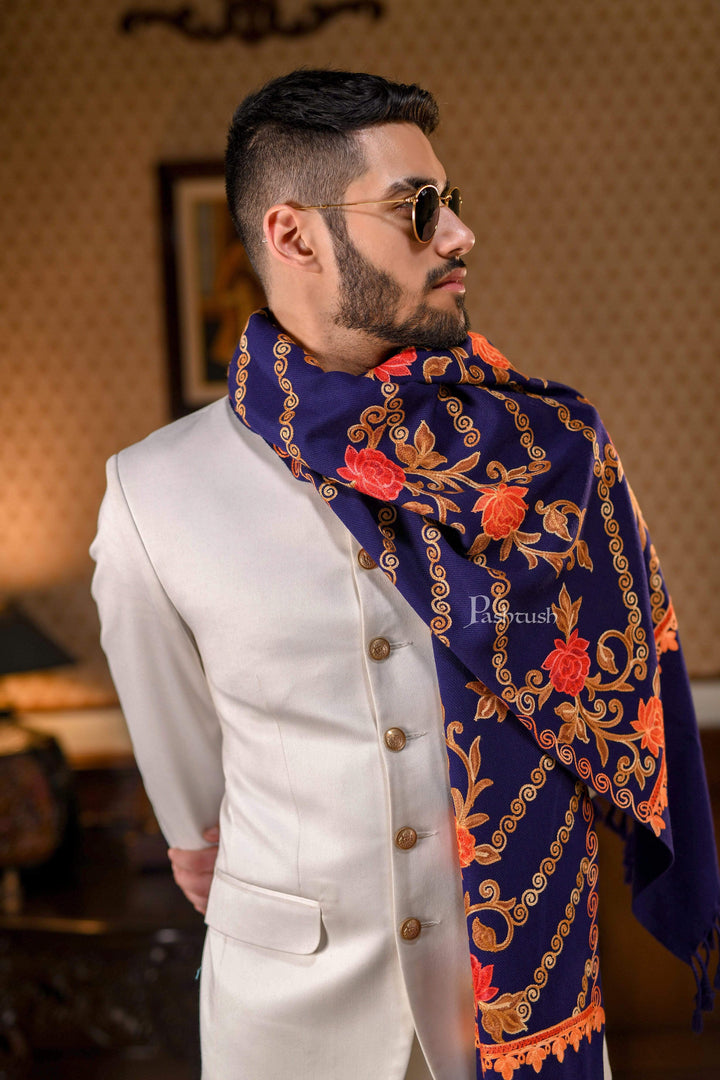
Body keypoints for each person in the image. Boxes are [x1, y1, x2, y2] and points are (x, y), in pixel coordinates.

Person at [91, 70, 719, 1080]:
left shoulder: (550, 453)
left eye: (449, 202)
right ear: (295, 237)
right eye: (416, 208)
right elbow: (195, 810)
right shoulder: (150, 492)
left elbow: (622, 693)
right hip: (289, 1026)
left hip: (525, 1005)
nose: (460, 234)